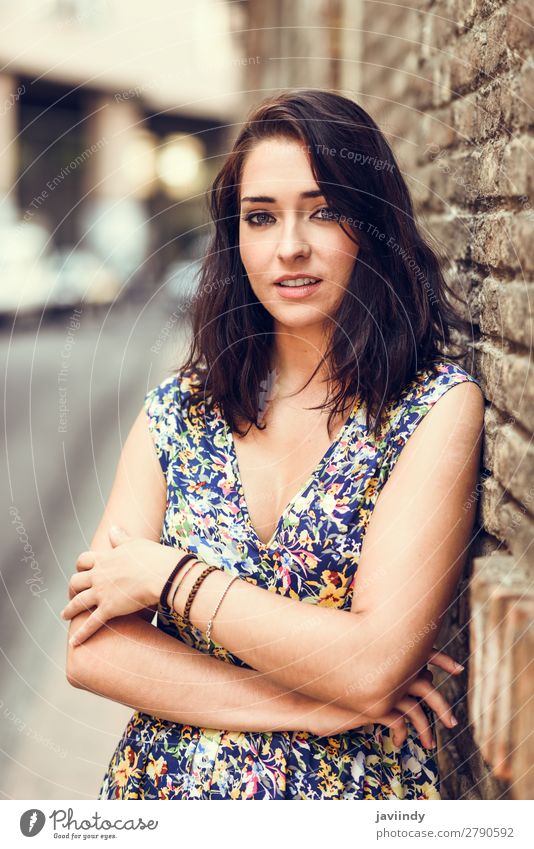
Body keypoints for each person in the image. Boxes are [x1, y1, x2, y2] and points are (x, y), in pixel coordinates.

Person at [63, 89, 484, 800]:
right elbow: (94, 649)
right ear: (236, 239)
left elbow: (371, 664)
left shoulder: (432, 409)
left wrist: (169, 578)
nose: (290, 245)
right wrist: (309, 706)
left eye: (322, 210)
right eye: (261, 217)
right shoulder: (178, 412)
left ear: (373, 227)